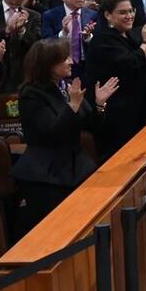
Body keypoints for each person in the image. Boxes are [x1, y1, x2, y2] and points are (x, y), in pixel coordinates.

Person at [11, 38, 118, 238]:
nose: (71, 61)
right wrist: (72, 106)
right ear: (48, 65)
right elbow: (51, 133)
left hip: (76, 168)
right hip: (46, 175)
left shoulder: (65, 86)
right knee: (56, 234)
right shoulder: (30, 94)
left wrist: (99, 104)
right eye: (64, 58)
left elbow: (91, 126)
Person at [85, 0, 146, 161]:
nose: (129, 16)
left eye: (131, 11)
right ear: (108, 15)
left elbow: (144, 63)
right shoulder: (102, 39)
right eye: (122, 12)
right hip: (118, 115)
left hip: (138, 106)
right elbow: (132, 65)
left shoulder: (127, 34)